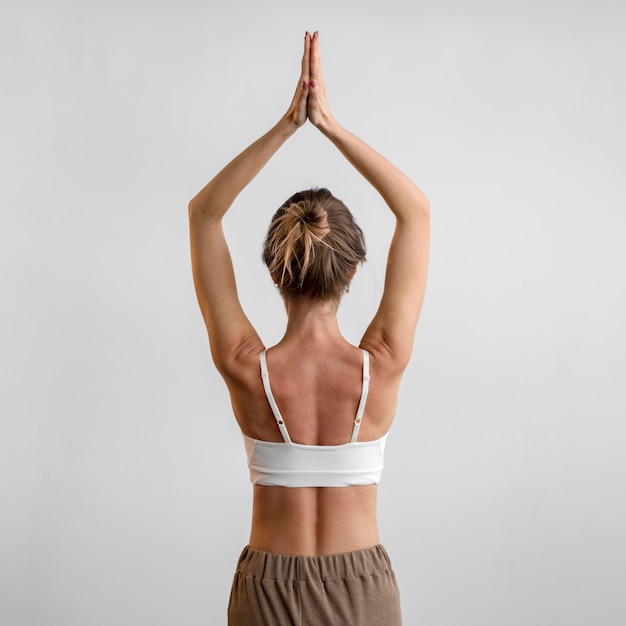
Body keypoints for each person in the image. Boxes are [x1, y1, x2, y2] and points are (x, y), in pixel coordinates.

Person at [188, 31, 429, 626]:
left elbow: (204, 213)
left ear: (275, 270)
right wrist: (329, 123)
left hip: (268, 588)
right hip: (363, 588)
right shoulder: (383, 364)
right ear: (352, 270)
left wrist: (288, 124)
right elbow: (415, 211)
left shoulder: (245, 365)